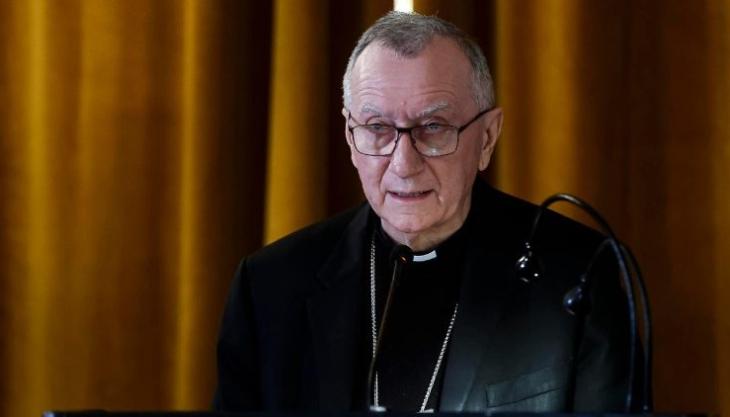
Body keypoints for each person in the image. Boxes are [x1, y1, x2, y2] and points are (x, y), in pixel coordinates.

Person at [213, 11, 632, 413]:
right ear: (350, 136)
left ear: (487, 137)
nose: (403, 164)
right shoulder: (269, 290)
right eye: (377, 128)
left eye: (433, 128)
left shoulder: (578, 275)